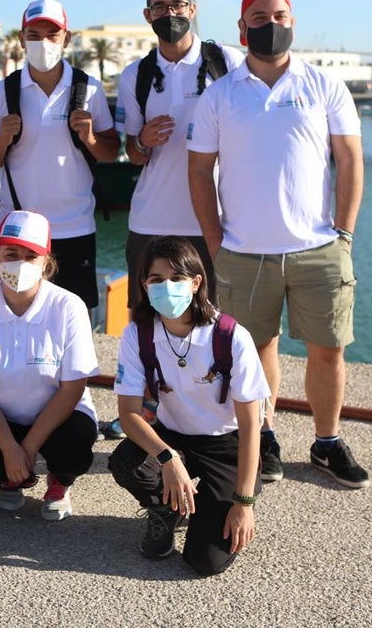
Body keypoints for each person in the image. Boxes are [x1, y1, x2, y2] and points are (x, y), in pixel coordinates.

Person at [187, 0, 368, 488]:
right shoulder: (220, 96)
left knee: (328, 348)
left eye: (281, 15)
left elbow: (349, 158)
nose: (272, 25)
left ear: (293, 22)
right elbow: (200, 172)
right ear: (242, 29)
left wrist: (345, 233)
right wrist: (215, 242)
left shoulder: (323, 85)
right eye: (261, 17)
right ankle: (264, 435)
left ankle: (327, 441)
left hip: (318, 249)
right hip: (243, 252)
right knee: (257, 347)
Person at [108, 236, 269, 576]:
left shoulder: (229, 337)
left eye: (177, 278)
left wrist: (244, 503)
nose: (167, 287)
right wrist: (168, 458)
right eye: (156, 280)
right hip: (173, 436)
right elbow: (129, 414)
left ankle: (218, 497)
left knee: (204, 561)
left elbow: (252, 425)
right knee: (126, 462)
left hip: (226, 445)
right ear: (145, 286)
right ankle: (166, 511)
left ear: (196, 283)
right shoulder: (138, 335)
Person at [0, 0, 120, 312]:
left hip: (75, 227)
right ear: (22, 39)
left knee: (75, 317)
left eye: (52, 35)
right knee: (11, 313)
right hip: (17, 229)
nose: (44, 42)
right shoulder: (4, 92)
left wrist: (90, 136)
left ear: (66, 38)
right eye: (35, 34)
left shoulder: (89, 89)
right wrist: (2, 139)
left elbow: (110, 151)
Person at [0, 210, 100, 521]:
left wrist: (29, 447)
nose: (19, 263)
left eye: (30, 256)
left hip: (60, 414)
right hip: (3, 414)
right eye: (11, 254)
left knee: (74, 449)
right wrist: (10, 448)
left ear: (45, 264)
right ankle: (11, 477)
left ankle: (60, 481)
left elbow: (73, 388)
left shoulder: (69, 307)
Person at [117, 0, 244, 308]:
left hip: (216, 220)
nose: (169, 14)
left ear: (192, 9)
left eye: (177, 5)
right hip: (151, 221)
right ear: (148, 15)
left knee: (215, 317)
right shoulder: (136, 75)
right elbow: (131, 153)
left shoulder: (226, 63)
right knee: (147, 320)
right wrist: (142, 141)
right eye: (159, 8)